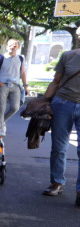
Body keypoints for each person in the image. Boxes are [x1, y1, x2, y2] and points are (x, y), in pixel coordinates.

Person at [42, 47, 80, 205]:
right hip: (63, 102)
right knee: (59, 146)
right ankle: (57, 182)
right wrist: (44, 104)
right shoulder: (68, 56)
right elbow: (56, 81)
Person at [0, 38, 27, 121]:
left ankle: (1, 122)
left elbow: (23, 72)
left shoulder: (21, 58)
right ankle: (1, 128)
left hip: (15, 85)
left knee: (15, 107)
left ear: (18, 47)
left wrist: (26, 86)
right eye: (10, 45)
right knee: (2, 108)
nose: (13, 47)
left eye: (15, 45)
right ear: (7, 47)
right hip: (3, 85)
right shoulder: (0, 59)